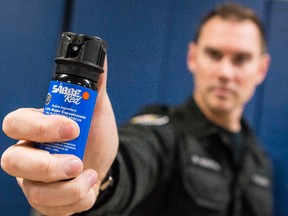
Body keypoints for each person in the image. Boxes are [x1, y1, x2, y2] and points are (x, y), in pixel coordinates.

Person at [1, 2, 272, 216]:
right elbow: (135, 159)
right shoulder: (162, 134)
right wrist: (103, 178)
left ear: (261, 69)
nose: (225, 72)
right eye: (214, 54)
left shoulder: (260, 163)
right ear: (193, 57)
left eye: (241, 59)